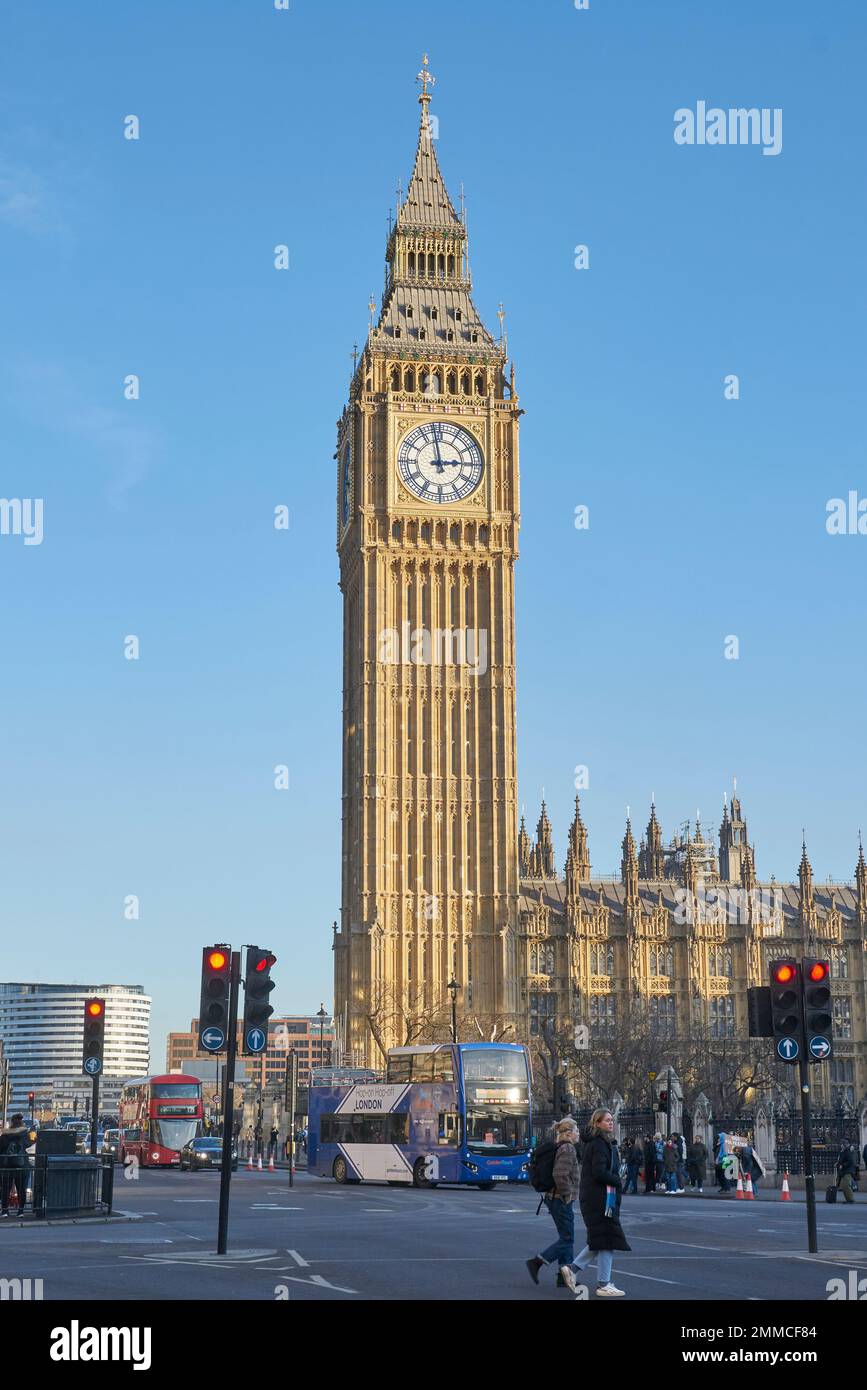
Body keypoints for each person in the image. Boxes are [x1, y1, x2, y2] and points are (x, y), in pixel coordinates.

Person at [572, 1108, 631, 1297]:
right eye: (607, 1120)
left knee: (603, 1238)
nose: (610, 1123)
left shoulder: (603, 1143)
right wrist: (617, 1179)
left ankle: (573, 1269)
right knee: (607, 1239)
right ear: (597, 1123)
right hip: (599, 1199)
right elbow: (599, 1172)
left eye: (612, 1120)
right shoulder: (598, 1144)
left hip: (600, 1197)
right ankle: (603, 1284)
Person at [526, 1118, 581, 1292]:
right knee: (568, 1238)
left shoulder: (560, 1147)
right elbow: (560, 1174)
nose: (578, 1133)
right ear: (569, 1133)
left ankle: (563, 1276)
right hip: (560, 1198)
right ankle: (538, 1261)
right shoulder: (568, 1148)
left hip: (554, 1197)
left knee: (566, 1237)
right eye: (577, 1130)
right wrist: (568, 1194)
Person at [0, 1114, 33, 1218]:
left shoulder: (5, 1134)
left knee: (6, 1188)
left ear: (12, 1122)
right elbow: (29, 1144)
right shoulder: (24, 1134)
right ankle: (20, 1211)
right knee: (21, 1189)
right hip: (21, 1165)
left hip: (7, 1165)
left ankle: (5, 1211)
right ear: (21, 1122)